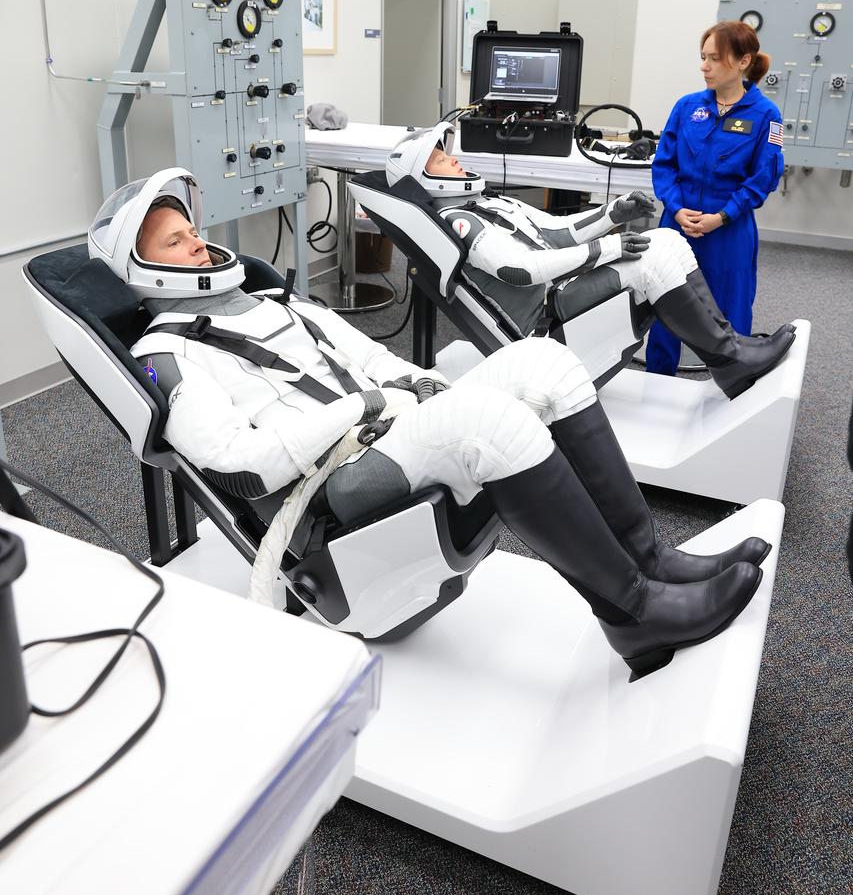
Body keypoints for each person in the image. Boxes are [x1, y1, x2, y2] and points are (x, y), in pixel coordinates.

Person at [87, 169, 770, 679]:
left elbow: (375, 357)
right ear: (142, 267)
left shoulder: (275, 302)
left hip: (387, 430)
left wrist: (426, 392)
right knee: (486, 423)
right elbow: (242, 467)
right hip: (328, 490)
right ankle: (631, 613)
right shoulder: (164, 354)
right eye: (177, 243)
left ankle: (648, 560)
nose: (201, 246)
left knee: (541, 365)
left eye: (193, 232)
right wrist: (360, 410)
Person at [384, 123, 796, 401]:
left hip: (561, 295)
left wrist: (612, 214)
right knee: (651, 263)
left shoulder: (485, 201)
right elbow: (520, 270)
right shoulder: (459, 219)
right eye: (441, 159)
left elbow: (556, 232)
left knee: (667, 239)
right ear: (424, 177)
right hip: (545, 324)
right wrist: (606, 249)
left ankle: (730, 353)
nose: (453, 160)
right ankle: (731, 359)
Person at [646, 20, 786, 376]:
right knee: (665, 308)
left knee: (732, 313)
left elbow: (763, 177)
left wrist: (722, 216)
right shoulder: (686, 106)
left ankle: (734, 390)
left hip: (728, 228)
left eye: (714, 59)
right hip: (678, 223)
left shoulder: (766, 115)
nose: (703, 66)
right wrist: (675, 210)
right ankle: (658, 382)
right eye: (703, 57)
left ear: (743, 62)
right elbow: (664, 165)